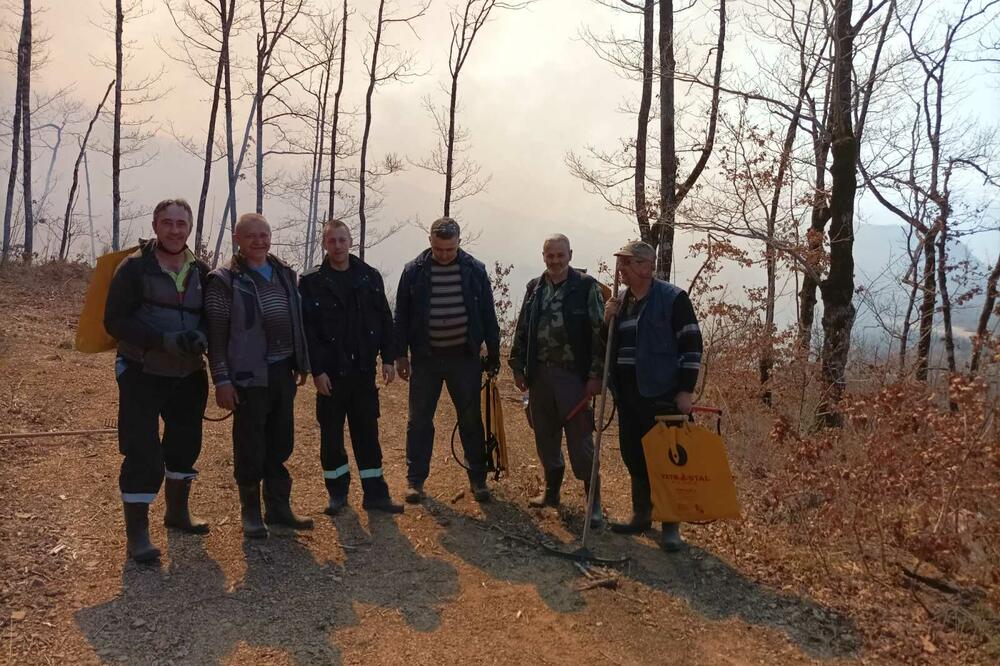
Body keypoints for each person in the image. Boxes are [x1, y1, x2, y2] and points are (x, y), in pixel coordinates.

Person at [104, 198, 210, 563]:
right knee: (143, 454)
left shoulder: (202, 271)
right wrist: (161, 340)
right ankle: (137, 536)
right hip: (142, 372)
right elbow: (114, 321)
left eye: (181, 224)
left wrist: (202, 336)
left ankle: (177, 514)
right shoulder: (134, 268)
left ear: (190, 228)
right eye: (167, 223)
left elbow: (210, 316)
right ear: (155, 226)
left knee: (185, 446)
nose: (175, 230)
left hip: (189, 374)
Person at [205, 212, 313, 539]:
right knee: (250, 444)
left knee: (281, 442)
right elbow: (216, 337)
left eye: (264, 234)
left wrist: (301, 362)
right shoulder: (224, 280)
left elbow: (297, 320)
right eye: (251, 235)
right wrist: (222, 380)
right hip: (247, 376)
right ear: (237, 239)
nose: (259, 241)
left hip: (282, 371)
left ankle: (278, 508)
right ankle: (250, 512)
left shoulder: (284, 273)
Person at [299, 219, 404, 516]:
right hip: (330, 375)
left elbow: (384, 320)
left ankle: (375, 495)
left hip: (362, 373)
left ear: (350, 241)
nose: (337, 246)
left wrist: (388, 358)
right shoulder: (311, 282)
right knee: (331, 438)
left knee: (367, 435)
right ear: (324, 244)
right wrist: (317, 371)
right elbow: (308, 332)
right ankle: (337, 494)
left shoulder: (369, 277)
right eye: (331, 241)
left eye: (342, 240)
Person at [393, 216, 501, 504]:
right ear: (430, 241)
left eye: (449, 249)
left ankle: (478, 478)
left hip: (464, 359)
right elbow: (401, 316)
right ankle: (415, 481)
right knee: (419, 421)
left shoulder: (475, 270)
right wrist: (400, 355)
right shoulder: (413, 271)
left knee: (470, 419)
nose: (443, 254)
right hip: (425, 359)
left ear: (459, 243)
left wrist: (493, 354)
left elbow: (488, 315)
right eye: (438, 249)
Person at [604, 240, 703, 552]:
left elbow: (691, 345)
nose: (621, 269)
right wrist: (607, 320)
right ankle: (642, 514)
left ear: (647, 267)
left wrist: (685, 390)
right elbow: (608, 345)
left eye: (628, 263)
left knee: (667, 460)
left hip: (662, 392)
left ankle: (670, 525)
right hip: (628, 393)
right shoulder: (621, 302)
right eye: (621, 263)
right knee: (633, 454)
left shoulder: (673, 299)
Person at [509, 234, 606, 528]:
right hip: (540, 375)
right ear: (543, 256)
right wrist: (517, 367)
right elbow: (523, 328)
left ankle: (594, 503)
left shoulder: (586, 287)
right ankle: (551, 493)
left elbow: (599, 334)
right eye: (550, 256)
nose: (555, 261)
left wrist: (596, 375)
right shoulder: (534, 288)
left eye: (560, 255)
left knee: (581, 441)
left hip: (573, 377)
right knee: (545, 436)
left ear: (570, 255)